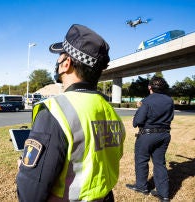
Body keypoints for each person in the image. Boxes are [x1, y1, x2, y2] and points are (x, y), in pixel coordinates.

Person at [16, 24, 126, 202]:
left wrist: (23, 169)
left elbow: (30, 194)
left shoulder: (55, 110)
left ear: (66, 64)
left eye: (59, 57)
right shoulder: (110, 110)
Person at [126, 76, 174, 202]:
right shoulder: (169, 100)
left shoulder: (146, 101)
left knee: (141, 160)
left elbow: (137, 121)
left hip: (147, 135)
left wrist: (140, 108)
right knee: (160, 163)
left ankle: (141, 187)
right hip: (164, 135)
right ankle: (164, 194)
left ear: (149, 87)